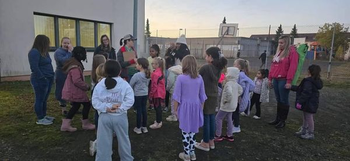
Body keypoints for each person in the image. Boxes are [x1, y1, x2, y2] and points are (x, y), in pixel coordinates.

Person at [92, 60, 134, 161]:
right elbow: (130, 100)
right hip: (120, 117)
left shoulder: (99, 84)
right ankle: (126, 158)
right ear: (119, 71)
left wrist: (106, 107)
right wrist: (120, 108)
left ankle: (103, 159)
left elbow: (95, 101)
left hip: (104, 117)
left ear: (105, 71)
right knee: (124, 139)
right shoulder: (124, 84)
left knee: (103, 141)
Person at [173, 55, 207, 161]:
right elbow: (203, 96)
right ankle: (192, 153)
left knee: (185, 131)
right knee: (192, 130)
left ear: (184, 65)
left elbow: (176, 97)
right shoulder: (199, 78)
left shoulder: (180, 78)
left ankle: (186, 154)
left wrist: (175, 110)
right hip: (196, 106)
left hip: (184, 107)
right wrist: (200, 108)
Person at [195, 47, 227, 152]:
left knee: (206, 119)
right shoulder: (219, 67)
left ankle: (205, 143)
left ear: (210, 57)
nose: (205, 57)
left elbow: (196, 78)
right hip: (214, 94)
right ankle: (211, 141)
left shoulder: (206, 67)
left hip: (205, 95)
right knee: (212, 117)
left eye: (206, 55)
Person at [60, 46, 95, 132]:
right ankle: (85, 123)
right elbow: (76, 81)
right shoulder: (75, 67)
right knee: (86, 104)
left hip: (72, 90)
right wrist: (86, 86)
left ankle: (65, 124)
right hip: (74, 91)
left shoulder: (74, 62)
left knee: (76, 106)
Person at [268, 35, 299, 128]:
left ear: (287, 43)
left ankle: (282, 120)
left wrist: (289, 81)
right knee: (278, 100)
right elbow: (273, 66)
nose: (280, 44)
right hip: (276, 79)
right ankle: (278, 118)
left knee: (284, 100)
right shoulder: (278, 53)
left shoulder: (292, 53)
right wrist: (270, 78)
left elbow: (292, 68)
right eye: (279, 42)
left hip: (283, 79)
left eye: (282, 43)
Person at [28, 35, 55, 125]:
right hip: (40, 79)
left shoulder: (44, 52)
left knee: (44, 99)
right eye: (47, 42)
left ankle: (44, 115)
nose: (49, 45)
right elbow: (34, 67)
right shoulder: (34, 52)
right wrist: (42, 77)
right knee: (40, 98)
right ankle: (40, 118)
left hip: (49, 77)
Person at [292, 64, 323, 140]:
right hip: (311, 102)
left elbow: (306, 92)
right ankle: (304, 129)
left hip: (308, 102)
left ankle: (310, 133)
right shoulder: (315, 80)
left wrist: (300, 101)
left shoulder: (308, 81)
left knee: (309, 117)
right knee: (305, 116)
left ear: (310, 71)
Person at [215, 67, 242, 142]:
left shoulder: (228, 84)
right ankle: (229, 135)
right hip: (233, 106)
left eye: (227, 72)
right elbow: (240, 90)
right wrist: (235, 96)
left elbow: (229, 93)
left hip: (226, 106)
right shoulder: (236, 84)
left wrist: (226, 100)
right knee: (229, 118)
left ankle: (218, 135)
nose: (226, 74)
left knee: (218, 118)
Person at [89, 55, 106, 156]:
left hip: (98, 106)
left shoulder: (94, 75)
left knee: (100, 125)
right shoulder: (101, 83)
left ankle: (98, 142)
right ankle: (97, 145)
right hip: (102, 107)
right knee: (103, 128)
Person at [130, 58, 151, 134]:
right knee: (144, 109)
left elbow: (131, 84)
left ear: (141, 66)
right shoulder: (148, 74)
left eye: (137, 64)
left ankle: (138, 128)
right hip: (145, 94)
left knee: (138, 110)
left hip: (138, 95)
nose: (136, 65)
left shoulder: (136, 75)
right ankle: (144, 127)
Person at [234, 59, 255, 133]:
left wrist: (238, 93)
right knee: (234, 111)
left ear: (238, 66)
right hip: (237, 97)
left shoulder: (240, 75)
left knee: (235, 111)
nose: (233, 66)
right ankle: (234, 124)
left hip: (238, 97)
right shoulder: (242, 74)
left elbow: (242, 86)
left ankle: (236, 126)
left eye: (234, 64)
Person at [54, 37, 73, 116]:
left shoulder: (71, 51)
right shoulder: (58, 52)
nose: (66, 45)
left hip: (70, 73)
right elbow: (64, 61)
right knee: (61, 90)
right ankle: (64, 109)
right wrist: (69, 52)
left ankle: (73, 107)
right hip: (61, 73)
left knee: (71, 89)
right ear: (61, 43)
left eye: (68, 43)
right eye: (64, 43)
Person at [149, 57, 166, 129]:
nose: (152, 64)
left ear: (157, 64)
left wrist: (151, 94)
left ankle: (158, 122)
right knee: (158, 107)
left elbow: (154, 85)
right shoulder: (160, 72)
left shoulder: (155, 74)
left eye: (153, 63)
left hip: (157, 94)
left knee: (157, 108)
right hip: (160, 92)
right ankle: (159, 121)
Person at [165, 56, 182, 122]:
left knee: (173, 102)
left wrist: (167, 88)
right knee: (179, 102)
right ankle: (179, 114)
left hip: (174, 90)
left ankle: (174, 115)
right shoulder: (180, 68)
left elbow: (170, 80)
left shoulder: (171, 70)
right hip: (181, 89)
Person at [148, 44, 160, 111]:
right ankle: (151, 104)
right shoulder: (149, 59)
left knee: (156, 92)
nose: (151, 52)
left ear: (157, 52)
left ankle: (157, 104)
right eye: (150, 51)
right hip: (150, 78)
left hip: (157, 79)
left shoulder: (160, 59)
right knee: (150, 91)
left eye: (152, 51)